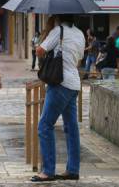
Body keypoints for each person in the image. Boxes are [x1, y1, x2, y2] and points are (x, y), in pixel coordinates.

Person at [32, 14, 85, 182]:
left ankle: (48, 171)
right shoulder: (80, 34)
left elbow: (40, 51)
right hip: (74, 84)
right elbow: (79, 58)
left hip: (60, 83)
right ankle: (73, 170)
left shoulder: (57, 30)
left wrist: (46, 33)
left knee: (45, 125)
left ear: (58, 17)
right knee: (71, 128)